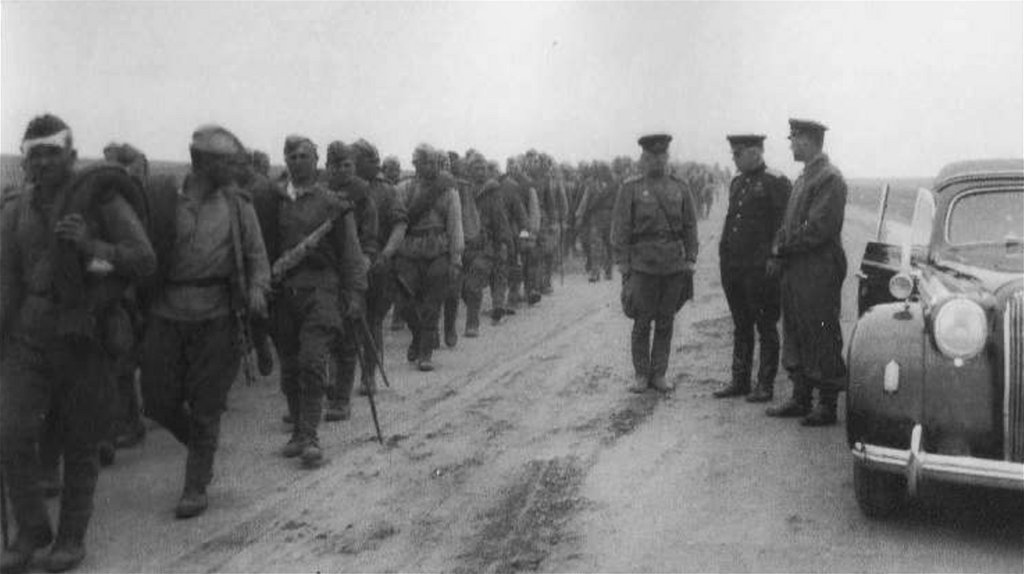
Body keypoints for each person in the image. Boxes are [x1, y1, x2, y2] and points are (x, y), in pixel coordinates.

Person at [0, 114, 156, 573]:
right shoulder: (14, 210)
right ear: (24, 160)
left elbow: (144, 260)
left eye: (52, 152)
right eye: (34, 154)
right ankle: (31, 529)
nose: (43, 162)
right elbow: (7, 279)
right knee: (9, 430)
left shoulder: (101, 200)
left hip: (86, 330)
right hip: (29, 334)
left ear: (71, 154)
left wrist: (92, 245)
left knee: (80, 439)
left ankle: (71, 538)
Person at [138, 125, 270, 519]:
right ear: (202, 162)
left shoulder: (238, 205)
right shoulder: (163, 199)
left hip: (217, 316)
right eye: (226, 162)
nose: (234, 169)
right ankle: (200, 441)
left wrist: (258, 288)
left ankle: (195, 485)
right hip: (165, 313)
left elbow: (257, 256)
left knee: (206, 404)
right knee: (158, 401)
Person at [266, 135, 367, 464]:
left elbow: (351, 254)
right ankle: (298, 430)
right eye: (292, 156)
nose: (297, 162)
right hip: (283, 294)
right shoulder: (274, 201)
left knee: (312, 361)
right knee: (290, 367)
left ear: (316, 161)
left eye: (304, 156)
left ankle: (310, 436)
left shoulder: (333, 204)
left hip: (322, 291)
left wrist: (355, 294)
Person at [765, 119, 848, 426]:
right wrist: (779, 246)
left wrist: (783, 248)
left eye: (794, 139)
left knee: (821, 332)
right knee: (796, 330)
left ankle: (826, 404)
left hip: (818, 269)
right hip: (797, 268)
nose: (791, 145)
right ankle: (801, 397)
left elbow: (818, 228)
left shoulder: (829, 178)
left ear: (808, 141)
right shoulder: (804, 178)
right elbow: (788, 224)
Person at [611, 134, 699, 393]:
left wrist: (691, 257)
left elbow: (690, 225)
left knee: (665, 321)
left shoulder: (680, 187)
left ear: (667, 157)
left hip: (673, 264)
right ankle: (641, 374)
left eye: (661, 156)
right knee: (642, 321)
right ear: (643, 158)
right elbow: (620, 228)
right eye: (651, 156)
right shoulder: (631, 188)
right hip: (643, 265)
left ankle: (659, 373)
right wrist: (623, 262)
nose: (657, 161)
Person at [713, 134, 791, 402]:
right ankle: (740, 380)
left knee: (765, 325)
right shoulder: (737, 181)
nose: (734, 159)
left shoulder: (775, 181)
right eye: (733, 154)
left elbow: (783, 224)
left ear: (755, 152)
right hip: (734, 266)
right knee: (741, 323)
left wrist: (775, 256)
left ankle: (765, 384)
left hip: (760, 268)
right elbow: (732, 220)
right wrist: (724, 255)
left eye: (738, 153)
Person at [322, 141, 378, 422]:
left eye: (347, 165)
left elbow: (370, 236)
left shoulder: (363, 195)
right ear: (327, 167)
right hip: (321, 273)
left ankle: (341, 398)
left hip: (350, 271)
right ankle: (318, 391)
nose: (342, 170)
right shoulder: (319, 193)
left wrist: (363, 263)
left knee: (347, 337)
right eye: (337, 165)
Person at [394, 145, 463, 371]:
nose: (431, 167)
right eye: (426, 162)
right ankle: (417, 335)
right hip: (409, 251)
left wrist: (456, 259)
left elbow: (455, 226)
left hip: (438, 251)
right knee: (404, 302)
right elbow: (398, 222)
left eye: (434, 163)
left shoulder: (449, 192)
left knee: (433, 304)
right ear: (416, 164)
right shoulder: (404, 189)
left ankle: (425, 353)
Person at [351, 139, 407, 394]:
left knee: (373, 320)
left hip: (377, 265)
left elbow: (400, 224)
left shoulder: (387, 191)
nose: (376, 163)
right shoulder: (340, 189)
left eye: (376, 159)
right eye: (370, 160)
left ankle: (369, 374)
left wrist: (386, 254)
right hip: (346, 266)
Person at [575, 162, 617, 282]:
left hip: (610, 216)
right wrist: (579, 215)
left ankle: (607, 270)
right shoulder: (593, 185)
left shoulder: (613, 185)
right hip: (597, 217)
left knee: (609, 245)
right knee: (596, 245)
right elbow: (585, 200)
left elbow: (619, 202)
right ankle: (596, 272)